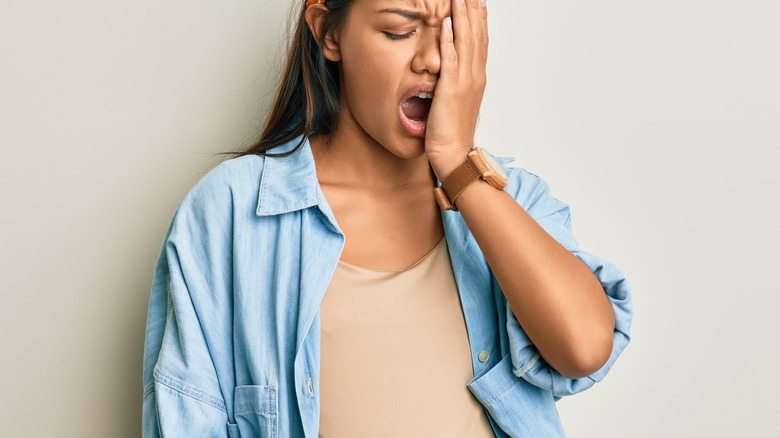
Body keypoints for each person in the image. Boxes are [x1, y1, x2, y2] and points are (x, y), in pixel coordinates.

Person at [141, 0, 633, 436]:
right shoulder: (234, 210)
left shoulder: (506, 197)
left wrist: (460, 165)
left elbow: (584, 348)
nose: (435, 59)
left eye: (453, 33)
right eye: (400, 30)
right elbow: (187, 416)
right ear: (328, 32)